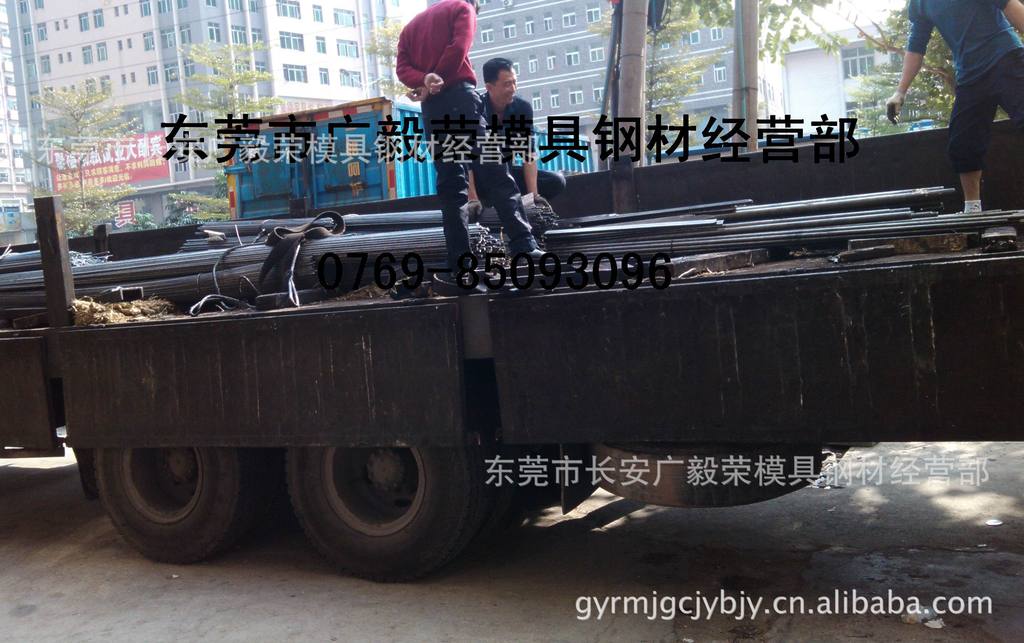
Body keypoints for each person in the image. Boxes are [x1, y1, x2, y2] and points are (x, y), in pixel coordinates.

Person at [396, 0, 542, 285]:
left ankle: (461, 264)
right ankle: (524, 244)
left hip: (433, 110)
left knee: (451, 188)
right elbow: (459, 47)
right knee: (496, 171)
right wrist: (436, 79)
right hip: (460, 100)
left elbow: (402, 69)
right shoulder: (463, 8)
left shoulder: (410, 28)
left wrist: (425, 81)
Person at [887, 0, 1024, 213]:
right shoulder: (920, 3)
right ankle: (973, 210)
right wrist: (900, 91)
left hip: (1006, 59)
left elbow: (1010, 5)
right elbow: (916, 46)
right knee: (962, 144)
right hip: (970, 77)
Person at [466, 58, 567, 220]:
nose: (513, 88)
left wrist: (534, 196)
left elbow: (528, 155)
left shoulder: (522, 109)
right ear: (489, 87)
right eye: (507, 84)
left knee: (556, 181)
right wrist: (472, 198)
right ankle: (486, 202)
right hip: (482, 178)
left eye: (514, 82)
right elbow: (466, 161)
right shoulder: (474, 111)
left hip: (507, 175)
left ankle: (518, 203)